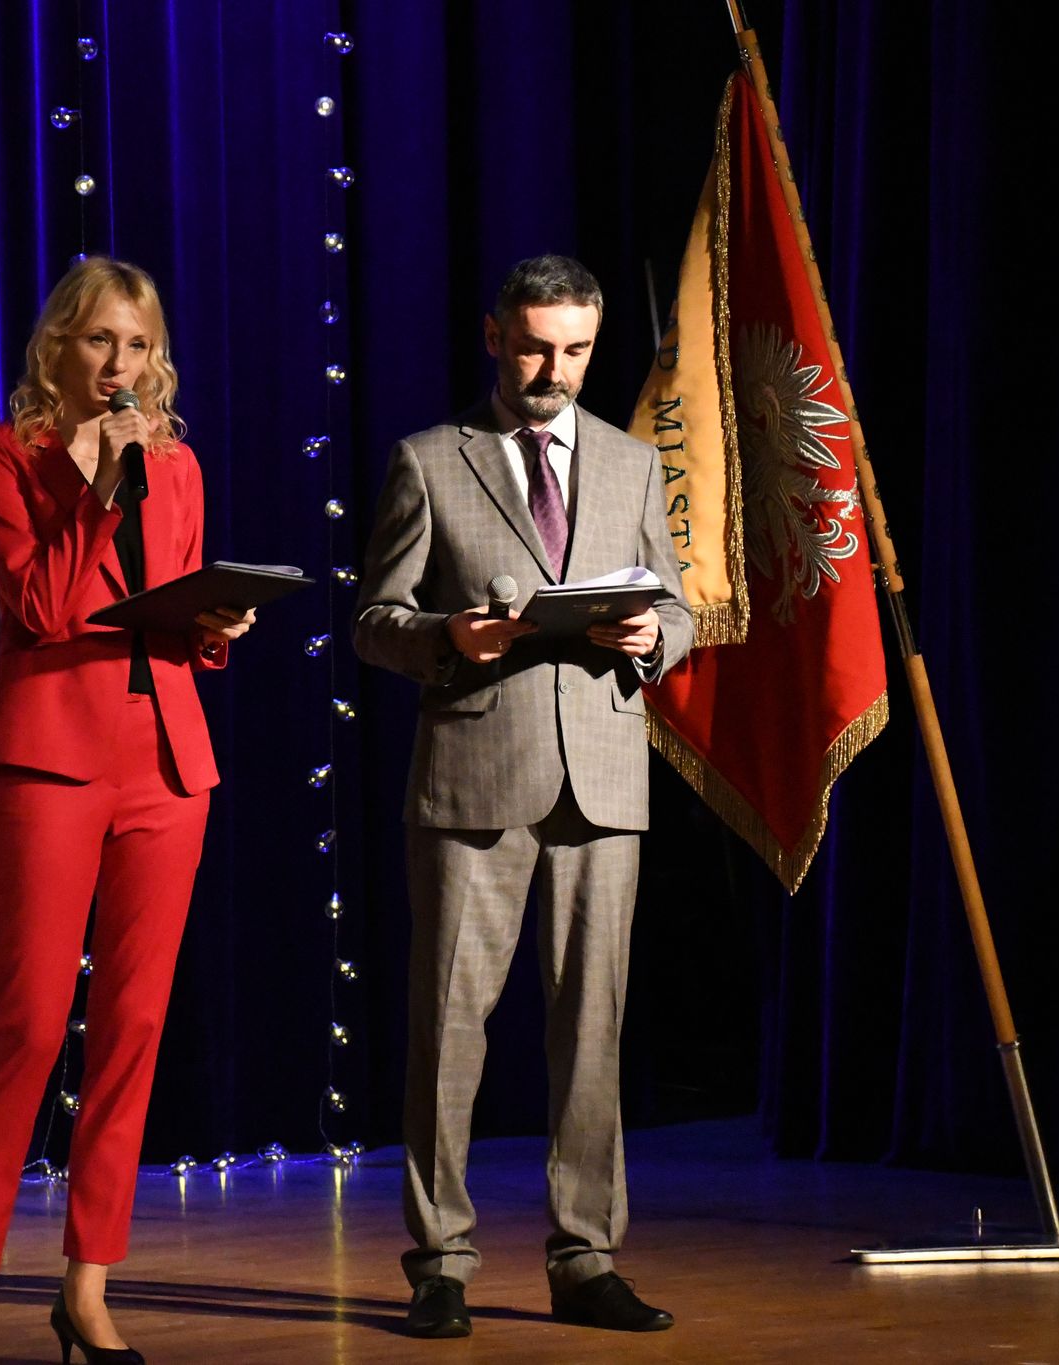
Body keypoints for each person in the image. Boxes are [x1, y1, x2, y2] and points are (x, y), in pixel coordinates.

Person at [0, 257, 252, 1365]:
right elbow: (44, 607)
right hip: (51, 762)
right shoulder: (0, 457)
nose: (121, 364)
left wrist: (215, 625)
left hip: (166, 768)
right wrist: (98, 486)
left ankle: (87, 1287)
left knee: (133, 1029)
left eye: (138, 344)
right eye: (101, 340)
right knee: (24, 1024)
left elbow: (175, 608)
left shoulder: (179, 465)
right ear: (57, 347)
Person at [353, 255, 694, 1338]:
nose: (556, 370)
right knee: (449, 1029)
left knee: (592, 1029)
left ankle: (585, 1258)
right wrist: (448, 637)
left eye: (577, 351)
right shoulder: (429, 458)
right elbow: (374, 621)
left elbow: (679, 611)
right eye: (538, 347)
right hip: (473, 780)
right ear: (495, 336)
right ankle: (438, 1263)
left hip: (602, 777)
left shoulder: (631, 462)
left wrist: (651, 635)